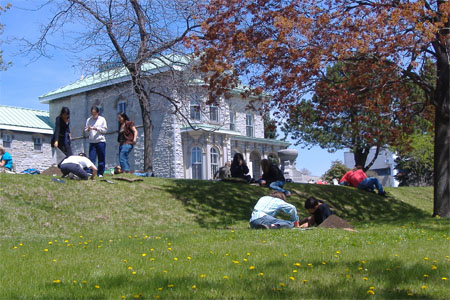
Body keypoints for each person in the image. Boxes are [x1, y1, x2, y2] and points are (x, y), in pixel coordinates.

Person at [85, 106, 108, 177]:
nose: (93, 115)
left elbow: (105, 130)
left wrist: (96, 128)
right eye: (92, 113)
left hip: (100, 141)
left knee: (101, 157)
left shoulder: (102, 119)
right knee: (92, 158)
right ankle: (91, 172)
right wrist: (88, 129)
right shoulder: (89, 120)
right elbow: (85, 130)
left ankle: (100, 172)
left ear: (97, 113)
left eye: (94, 113)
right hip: (92, 142)